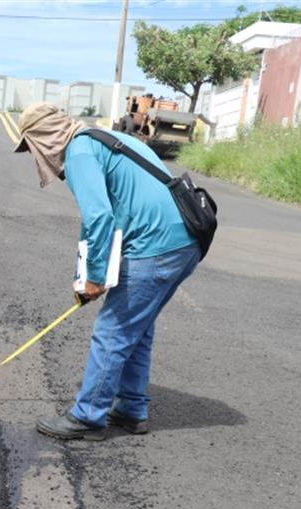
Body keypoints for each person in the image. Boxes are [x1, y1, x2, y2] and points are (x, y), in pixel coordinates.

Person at [12, 101, 200, 441]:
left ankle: (88, 417)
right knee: (136, 329)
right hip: (185, 242)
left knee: (113, 331)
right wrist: (85, 275)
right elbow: (103, 222)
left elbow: (99, 218)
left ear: (44, 136)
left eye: (31, 145)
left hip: (155, 246)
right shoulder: (105, 139)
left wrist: (95, 277)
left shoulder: (79, 151)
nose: (33, 154)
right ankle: (131, 409)